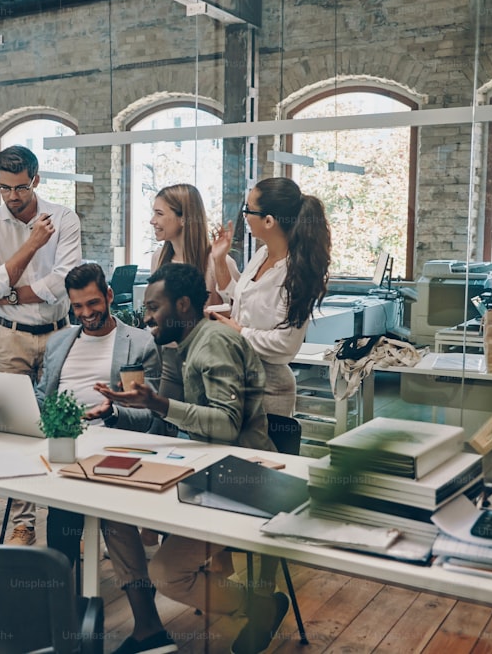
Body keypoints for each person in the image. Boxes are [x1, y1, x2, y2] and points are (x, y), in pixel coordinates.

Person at [97, 263, 284, 654]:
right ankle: (147, 628)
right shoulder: (190, 344)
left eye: (154, 306)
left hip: (243, 480)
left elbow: (227, 426)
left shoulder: (213, 341)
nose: (146, 316)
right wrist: (151, 406)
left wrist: (159, 403)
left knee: (167, 574)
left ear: (182, 305)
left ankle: (259, 606)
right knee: (113, 512)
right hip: (205, 471)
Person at [0, 144, 82, 546]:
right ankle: (24, 522)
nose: (13, 197)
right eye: (4, 188)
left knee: (63, 427)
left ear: (36, 180)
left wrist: (9, 292)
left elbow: (62, 283)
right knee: (17, 433)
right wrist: (33, 244)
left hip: (58, 335)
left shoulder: (65, 219)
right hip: (10, 338)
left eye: (20, 187)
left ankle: (70, 520)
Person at [32, 263, 161, 568]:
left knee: (95, 509)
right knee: (61, 512)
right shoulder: (59, 342)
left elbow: (150, 416)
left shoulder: (139, 344)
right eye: (77, 306)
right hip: (63, 444)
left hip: (113, 446)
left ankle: (127, 586)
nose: (86, 313)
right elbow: (41, 397)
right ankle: (61, 593)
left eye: (93, 303)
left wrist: (113, 412)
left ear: (109, 295)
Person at [210, 176, 331, 418]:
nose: (244, 215)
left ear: (268, 221)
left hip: (270, 388)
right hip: (237, 375)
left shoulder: (297, 272)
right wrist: (219, 260)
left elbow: (286, 344)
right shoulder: (262, 254)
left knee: (261, 455)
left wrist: (239, 332)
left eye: (248, 209)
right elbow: (239, 297)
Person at [149, 183, 239, 305]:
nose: (152, 221)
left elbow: (238, 310)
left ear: (183, 219)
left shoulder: (219, 262)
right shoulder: (158, 257)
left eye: (159, 214)